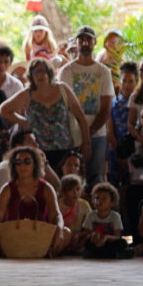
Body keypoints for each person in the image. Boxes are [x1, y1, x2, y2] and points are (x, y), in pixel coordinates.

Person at [0, 58, 90, 170]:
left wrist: (86, 143)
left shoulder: (62, 89)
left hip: (65, 149)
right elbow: (3, 110)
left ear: (49, 72)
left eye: (42, 70)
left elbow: (81, 117)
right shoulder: (27, 93)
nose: (39, 75)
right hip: (38, 152)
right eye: (35, 72)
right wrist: (23, 121)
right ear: (31, 75)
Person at [58, 26, 114, 185]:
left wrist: (88, 135)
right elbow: (64, 107)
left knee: (96, 180)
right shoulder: (66, 71)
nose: (84, 42)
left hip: (98, 136)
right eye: (81, 39)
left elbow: (106, 108)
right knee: (71, 182)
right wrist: (81, 134)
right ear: (75, 42)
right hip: (71, 136)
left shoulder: (104, 72)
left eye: (88, 39)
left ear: (95, 42)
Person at [0, 145, 64, 257]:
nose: (22, 165)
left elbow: (56, 216)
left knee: (66, 232)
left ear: (35, 164)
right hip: (14, 235)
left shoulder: (46, 188)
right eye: (18, 162)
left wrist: (60, 229)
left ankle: (46, 252)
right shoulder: (8, 188)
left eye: (27, 161)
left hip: (39, 235)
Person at [79, 183, 127, 258]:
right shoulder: (91, 215)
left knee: (122, 242)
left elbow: (117, 236)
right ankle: (104, 253)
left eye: (104, 199)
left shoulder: (115, 216)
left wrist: (106, 237)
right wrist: (93, 236)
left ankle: (102, 253)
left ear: (112, 203)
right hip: (95, 242)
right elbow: (86, 233)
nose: (100, 201)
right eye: (97, 198)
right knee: (87, 243)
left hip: (109, 242)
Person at [59, 174, 91, 254]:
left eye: (78, 189)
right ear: (63, 191)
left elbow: (90, 226)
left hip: (77, 237)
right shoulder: (57, 204)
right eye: (71, 189)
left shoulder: (84, 205)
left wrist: (79, 235)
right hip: (63, 235)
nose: (75, 193)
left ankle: (74, 250)